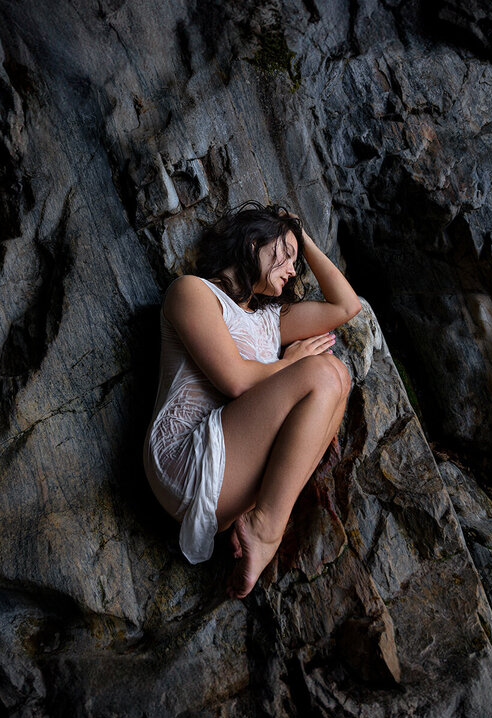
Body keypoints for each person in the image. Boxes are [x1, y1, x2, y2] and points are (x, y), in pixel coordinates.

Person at [143, 201, 362, 599]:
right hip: (183, 460)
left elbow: (347, 307)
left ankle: (261, 517)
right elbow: (237, 382)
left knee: (340, 377)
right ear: (254, 241)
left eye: (296, 260)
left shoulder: (270, 319)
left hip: (230, 481)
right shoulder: (192, 292)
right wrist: (290, 363)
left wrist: (299, 234)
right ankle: (265, 529)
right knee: (321, 373)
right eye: (287, 255)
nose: (294, 269)